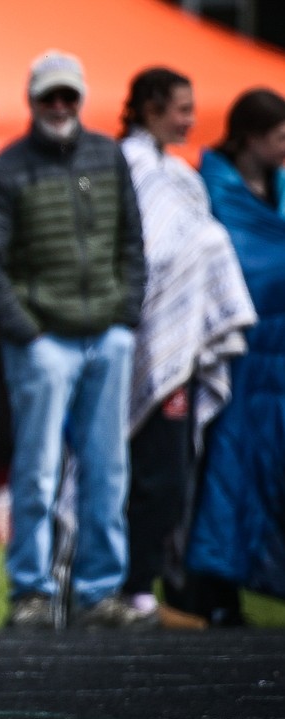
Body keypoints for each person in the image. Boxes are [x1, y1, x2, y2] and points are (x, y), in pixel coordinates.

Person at [0, 50, 152, 630]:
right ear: (33, 100)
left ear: (82, 99)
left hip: (105, 336)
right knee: (38, 470)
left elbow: (133, 246)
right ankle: (31, 592)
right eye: (51, 97)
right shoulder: (6, 168)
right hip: (44, 342)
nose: (61, 106)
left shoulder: (108, 155)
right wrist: (28, 332)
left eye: (69, 96)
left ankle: (98, 593)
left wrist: (123, 317)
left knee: (107, 469)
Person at [115, 68, 256, 622]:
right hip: (140, 340)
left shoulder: (177, 173)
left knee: (170, 474)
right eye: (181, 108)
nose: (191, 120)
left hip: (179, 347)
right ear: (151, 108)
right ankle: (128, 587)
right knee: (148, 473)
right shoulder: (126, 166)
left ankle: (146, 586)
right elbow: (154, 254)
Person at [187, 87, 285, 621]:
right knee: (226, 471)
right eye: (279, 136)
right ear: (250, 137)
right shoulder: (210, 192)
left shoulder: (282, 189)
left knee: (272, 473)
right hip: (233, 355)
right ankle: (213, 591)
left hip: (280, 357)